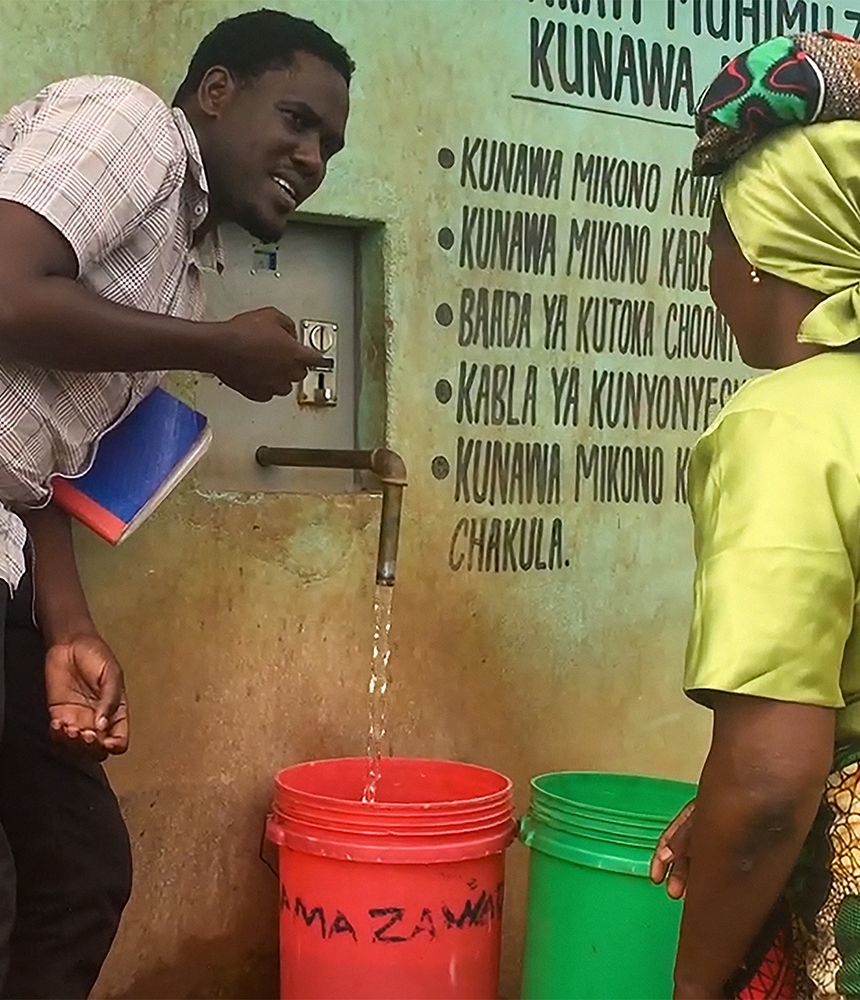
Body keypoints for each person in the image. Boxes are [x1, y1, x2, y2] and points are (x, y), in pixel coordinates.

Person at [0, 8, 353, 997]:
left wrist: (69, 628)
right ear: (214, 94)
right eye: (295, 119)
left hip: (8, 558)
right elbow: (5, 290)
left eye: (328, 143)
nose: (311, 154)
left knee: (76, 867)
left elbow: (40, 460)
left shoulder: (183, 271)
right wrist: (216, 351)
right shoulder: (131, 130)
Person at [649, 31, 860, 1000]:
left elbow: (773, 783)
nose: (711, 276)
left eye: (716, 240)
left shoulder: (781, 426)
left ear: (768, 251)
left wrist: (693, 989)